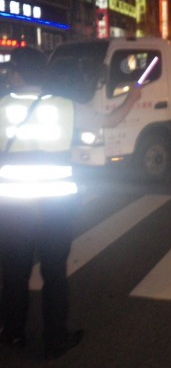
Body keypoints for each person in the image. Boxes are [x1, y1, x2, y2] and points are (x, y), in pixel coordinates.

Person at [0, 47, 141, 360]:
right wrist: (132, 98)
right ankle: (54, 341)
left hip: (13, 209)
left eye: (12, 70)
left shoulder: (3, 106)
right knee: (54, 272)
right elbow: (111, 120)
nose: (9, 74)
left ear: (19, 75)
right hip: (55, 207)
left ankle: (13, 334)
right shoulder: (66, 108)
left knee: (14, 272)